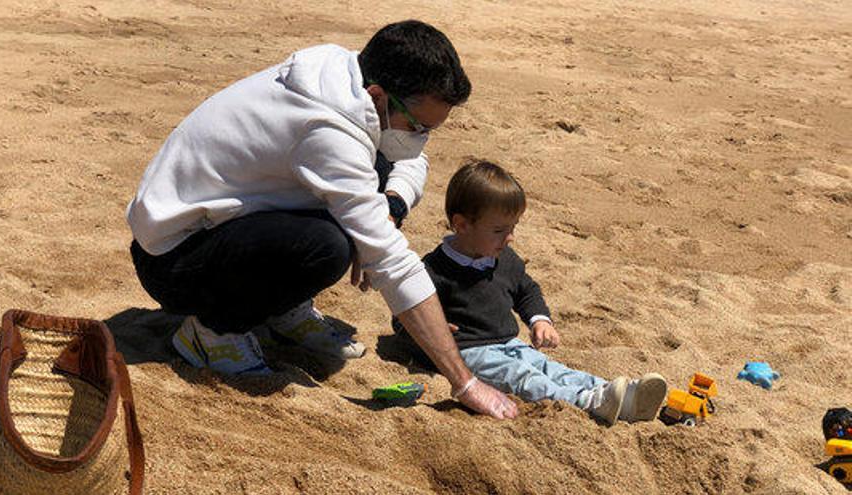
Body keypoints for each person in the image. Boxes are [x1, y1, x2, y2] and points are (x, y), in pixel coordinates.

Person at [126, 20, 517, 418]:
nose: (421, 137)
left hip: (221, 221)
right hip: (173, 259)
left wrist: (392, 208)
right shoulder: (329, 129)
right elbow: (392, 263)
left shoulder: (346, 74)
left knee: (375, 177)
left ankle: (281, 310)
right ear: (379, 95)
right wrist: (464, 382)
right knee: (326, 247)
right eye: (418, 126)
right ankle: (212, 334)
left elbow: (410, 159)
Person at [400, 160, 667, 425]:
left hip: (510, 343)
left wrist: (539, 319)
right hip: (469, 351)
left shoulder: (504, 258)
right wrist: (434, 329)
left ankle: (621, 395)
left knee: (550, 368)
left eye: (513, 228)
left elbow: (526, 290)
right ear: (462, 225)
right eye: (499, 230)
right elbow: (405, 316)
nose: (510, 237)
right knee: (521, 377)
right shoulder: (434, 270)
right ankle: (586, 402)